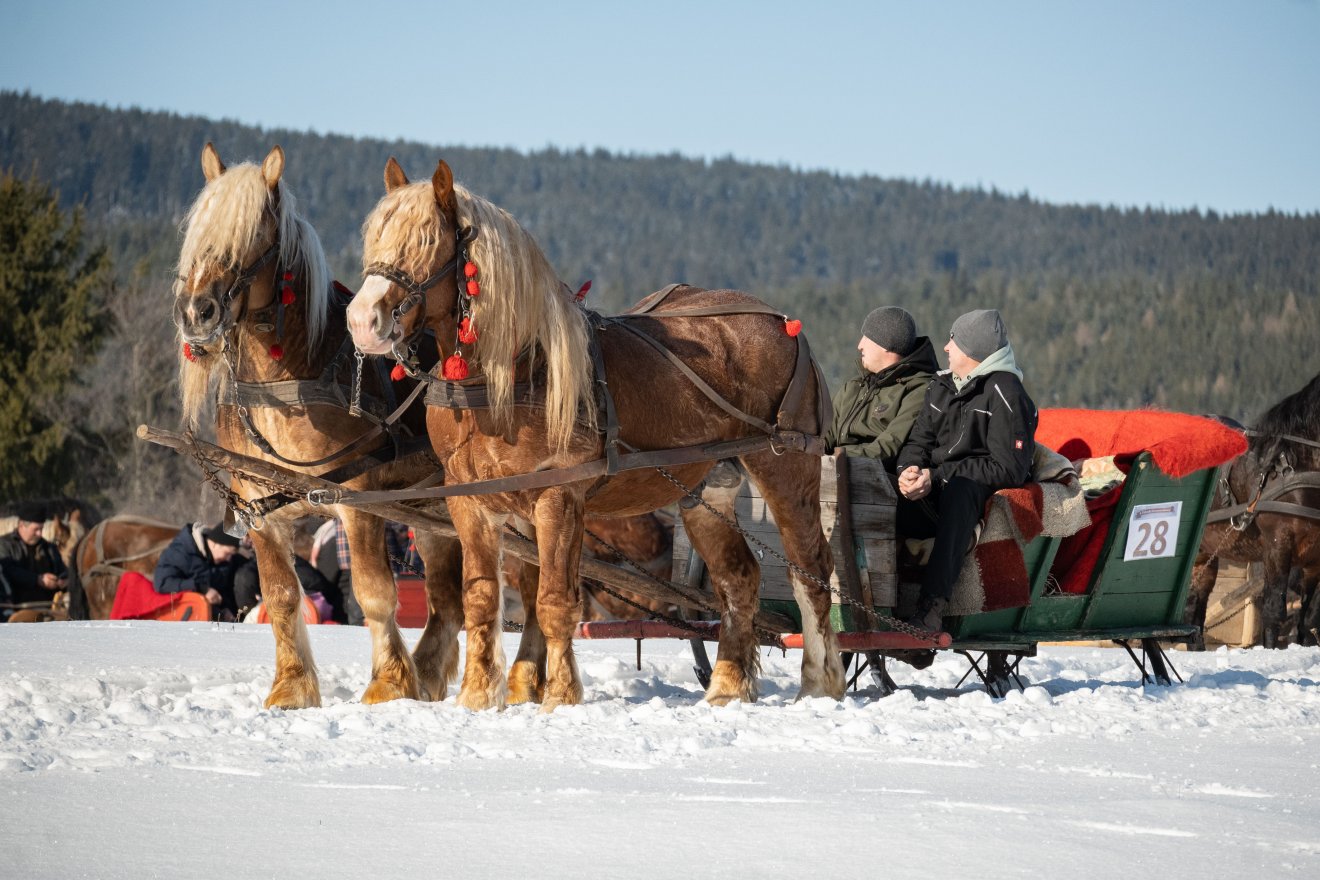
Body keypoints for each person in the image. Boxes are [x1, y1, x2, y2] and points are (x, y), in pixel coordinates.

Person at [895, 309, 1038, 632]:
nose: (946, 348)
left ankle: (932, 607)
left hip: (971, 498)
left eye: (953, 341)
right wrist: (909, 470)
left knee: (960, 489)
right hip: (931, 491)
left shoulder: (1007, 391)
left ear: (973, 350)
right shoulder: (942, 386)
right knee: (879, 490)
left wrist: (940, 475)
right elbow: (918, 441)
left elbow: (1009, 467)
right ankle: (873, 598)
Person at [822, 306, 938, 470]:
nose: (860, 345)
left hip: (879, 478)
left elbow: (889, 447)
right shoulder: (853, 388)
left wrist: (836, 457)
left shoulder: (919, 390)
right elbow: (825, 434)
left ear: (886, 343)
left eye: (867, 338)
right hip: (834, 467)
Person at [153, 521, 243, 620]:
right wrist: (202, 589)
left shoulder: (218, 560)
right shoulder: (181, 553)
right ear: (214, 544)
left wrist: (226, 608)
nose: (228, 559)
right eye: (227, 553)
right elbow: (163, 583)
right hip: (179, 614)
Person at [0, 502, 68, 618]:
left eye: (41, 529)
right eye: (36, 529)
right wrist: (38, 580)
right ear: (21, 525)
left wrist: (62, 580)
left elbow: (62, 570)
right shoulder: (4, 545)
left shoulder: (49, 548)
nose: (40, 533)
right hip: (15, 611)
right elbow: (8, 570)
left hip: (49, 610)